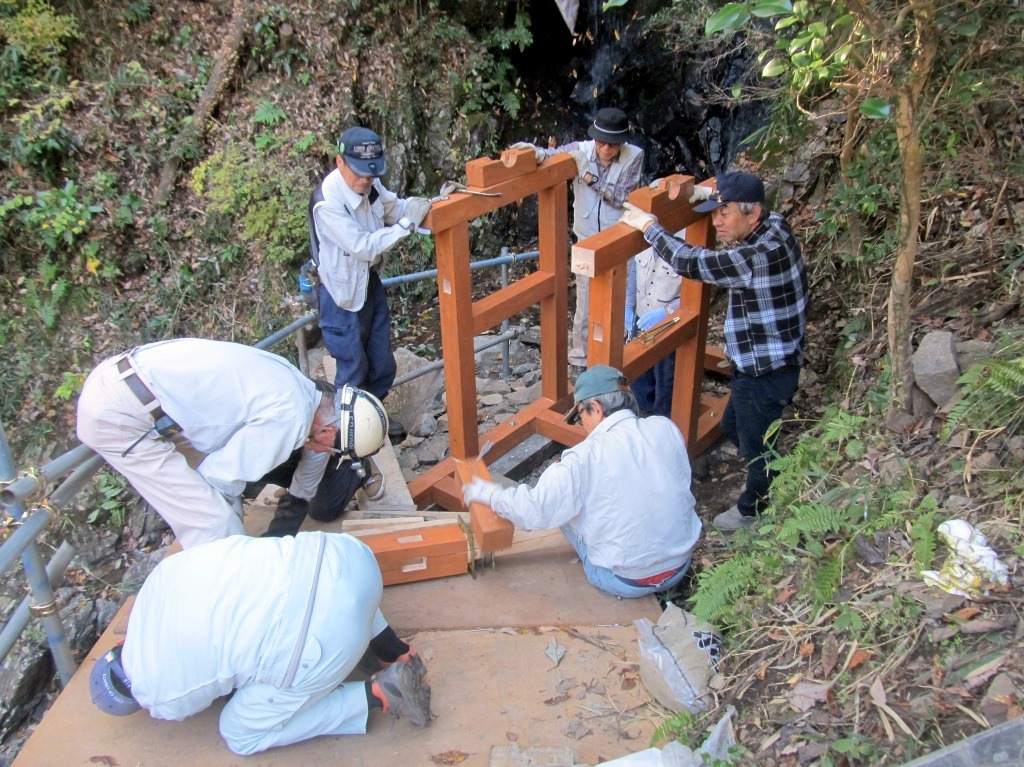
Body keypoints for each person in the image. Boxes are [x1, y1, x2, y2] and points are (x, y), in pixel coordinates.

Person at [88, 532, 431, 755]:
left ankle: (376, 695)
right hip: (348, 554)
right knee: (304, 582)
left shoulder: (156, 695)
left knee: (239, 733)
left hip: (328, 637)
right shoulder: (157, 582)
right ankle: (392, 649)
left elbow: (208, 696)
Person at [619, 171, 809, 532]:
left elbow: (691, 262)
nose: (715, 221)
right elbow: (723, 214)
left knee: (756, 443)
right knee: (732, 424)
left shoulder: (753, 257)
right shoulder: (775, 225)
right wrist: (703, 193)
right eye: (714, 210)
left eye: (725, 212)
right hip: (760, 355)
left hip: (767, 367)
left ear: (752, 213)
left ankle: (755, 510)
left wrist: (649, 227)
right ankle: (771, 474)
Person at [76, 339, 388, 548]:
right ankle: (227, 618)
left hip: (130, 383)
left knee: (218, 507)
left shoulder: (301, 391)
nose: (322, 454)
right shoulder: (290, 420)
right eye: (330, 450)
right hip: (122, 415)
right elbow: (219, 480)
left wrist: (280, 528)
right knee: (214, 525)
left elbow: (227, 474)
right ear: (327, 433)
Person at [461, 365, 701, 599]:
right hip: (679, 565)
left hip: (626, 581)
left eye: (579, 415)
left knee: (564, 508)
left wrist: (488, 494)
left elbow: (534, 512)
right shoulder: (665, 428)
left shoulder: (583, 458)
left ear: (595, 408)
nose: (582, 424)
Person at [311, 125, 432, 488]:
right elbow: (363, 245)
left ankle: (368, 421)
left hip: (369, 285)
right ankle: (347, 458)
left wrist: (431, 205)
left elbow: (394, 208)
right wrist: (409, 225)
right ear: (339, 162)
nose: (366, 180)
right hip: (340, 297)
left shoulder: (372, 186)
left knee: (382, 366)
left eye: (372, 172)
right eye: (359, 173)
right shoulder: (327, 203)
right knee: (352, 372)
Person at [514, 107, 644, 367]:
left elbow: (622, 196)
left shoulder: (634, 156)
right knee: (584, 301)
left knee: (618, 301)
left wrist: (588, 176)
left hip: (618, 237)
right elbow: (553, 155)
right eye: (601, 142)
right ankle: (579, 357)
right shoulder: (582, 149)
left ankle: (613, 357)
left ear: (621, 143)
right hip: (585, 237)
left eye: (612, 144)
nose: (605, 149)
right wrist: (534, 152)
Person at [626, 244, 684, 417]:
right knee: (639, 377)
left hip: (669, 324)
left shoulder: (685, 243)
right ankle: (642, 415)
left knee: (665, 379)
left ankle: (662, 421)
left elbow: (695, 292)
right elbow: (634, 272)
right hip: (642, 318)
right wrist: (628, 306)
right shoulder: (642, 238)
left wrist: (666, 312)